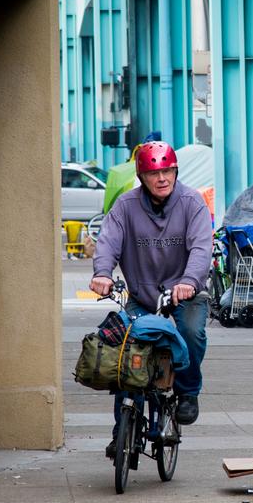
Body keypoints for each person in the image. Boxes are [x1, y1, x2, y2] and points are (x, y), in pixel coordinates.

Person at [90, 140, 213, 455]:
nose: (163, 179)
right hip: (143, 296)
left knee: (190, 332)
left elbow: (201, 248)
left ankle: (187, 392)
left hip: (185, 291)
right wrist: (103, 273)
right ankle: (122, 430)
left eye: (168, 171)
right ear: (142, 176)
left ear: (175, 171)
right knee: (126, 352)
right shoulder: (126, 207)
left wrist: (189, 281)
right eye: (154, 173)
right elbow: (108, 241)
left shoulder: (192, 203)